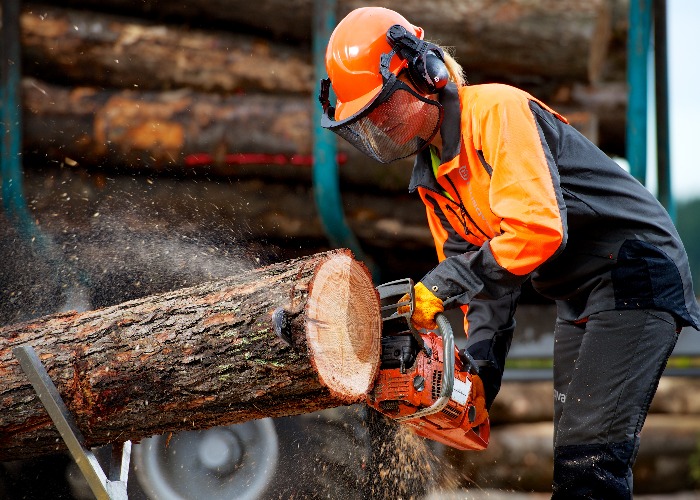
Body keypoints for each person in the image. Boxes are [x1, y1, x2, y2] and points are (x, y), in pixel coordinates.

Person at [318, 6, 700, 499]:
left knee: (592, 459)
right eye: (365, 119)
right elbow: (488, 288)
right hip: (579, 295)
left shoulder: (496, 113)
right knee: (574, 458)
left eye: (382, 107)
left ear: (423, 74)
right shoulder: (436, 181)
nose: (379, 124)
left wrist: (442, 285)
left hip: (634, 273)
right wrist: (476, 377)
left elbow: (539, 230)